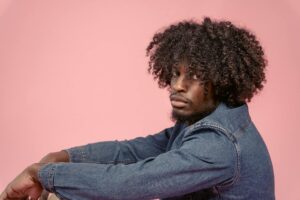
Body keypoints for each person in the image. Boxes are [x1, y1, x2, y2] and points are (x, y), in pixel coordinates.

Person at [0, 17, 275, 200]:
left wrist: (41, 173)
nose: (176, 86)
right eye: (174, 74)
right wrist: (63, 157)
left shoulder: (217, 145)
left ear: (222, 82)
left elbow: (130, 183)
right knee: (61, 192)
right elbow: (131, 152)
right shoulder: (205, 122)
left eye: (193, 77)